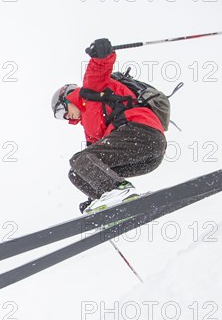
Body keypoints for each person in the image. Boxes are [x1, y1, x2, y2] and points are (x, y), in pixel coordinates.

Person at [51, 38, 167, 214]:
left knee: (79, 159)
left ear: (67, 97)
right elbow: (95, 162)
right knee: (76, 173)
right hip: (148, 158)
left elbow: (98, 69)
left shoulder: (90, 91)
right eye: (61, 117)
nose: (66, 117)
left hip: (141, 133)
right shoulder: (91, 128)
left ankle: (119, 190)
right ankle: (110, 203)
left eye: (62, 110)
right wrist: (93, 197)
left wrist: (101, 54)